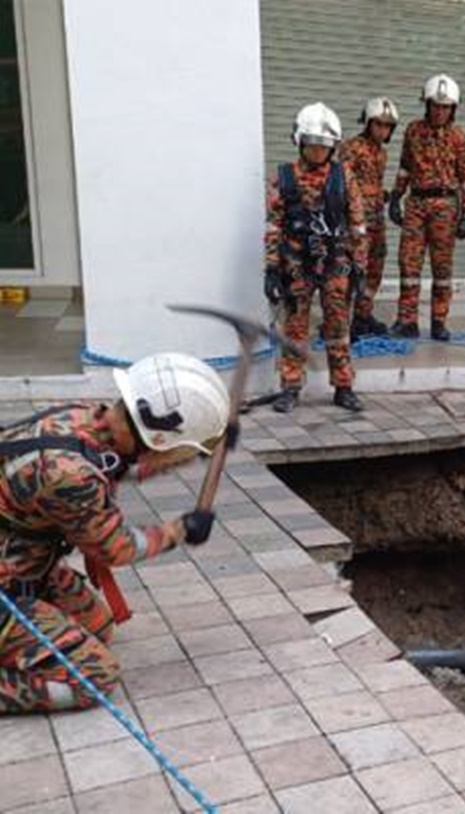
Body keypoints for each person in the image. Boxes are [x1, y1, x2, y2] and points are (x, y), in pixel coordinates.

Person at [0, 353, 225, 713]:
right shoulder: (69, 475)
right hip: (7, 583)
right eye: (177, 449)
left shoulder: (88, 418)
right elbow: (116, 548)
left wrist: (201, 450)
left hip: (27, 562)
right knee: (93, 679)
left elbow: (123, 467)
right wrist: (181, 530)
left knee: (98, 625)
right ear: (158, 439)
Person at [264, 102, 367, 413]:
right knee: (295, 327)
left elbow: (358, 223)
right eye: (312, 145)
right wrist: (271, 268)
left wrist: (360, 266)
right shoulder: (283, 177)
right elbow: (273, 225)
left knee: (337, 326)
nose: (318, 152)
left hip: (336, 260)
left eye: (324, 146)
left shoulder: (344, 176)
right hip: (297, 263)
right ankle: (291, 387)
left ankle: (344, 386)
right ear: (300, 142)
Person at [389, 74, 465, 341]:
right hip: (416, 203)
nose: (440, 111)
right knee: (409, 263)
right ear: (427, 105)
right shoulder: (413, 130)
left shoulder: (459, 137)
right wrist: (395, 197)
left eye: (446, 107)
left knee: (442, 267)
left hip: (445, 207)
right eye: (436, 106)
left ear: (453, 109)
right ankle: (407, 321)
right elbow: (405, 167)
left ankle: (439, 321)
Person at [338, 96, 399, 340]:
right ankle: (341, 321)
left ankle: (363, 316)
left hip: (377, 220)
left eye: (387, 126)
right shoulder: (351, 148)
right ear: (368, 123)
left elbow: (372, 183)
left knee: (375, 268)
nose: (383, 130)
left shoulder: (382, 153)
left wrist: (384, 195)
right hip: (356, 222)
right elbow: (342, 183)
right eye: (378, 124)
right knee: (352, 270)